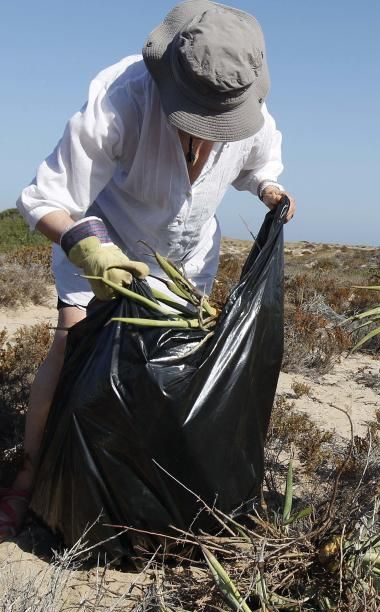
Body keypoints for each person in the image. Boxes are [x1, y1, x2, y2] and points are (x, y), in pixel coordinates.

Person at [1, 0, 296, 539]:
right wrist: (89, 249)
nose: (208, 134)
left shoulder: (250, 107)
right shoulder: (123, 98)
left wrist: (269, 190)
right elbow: (44, 199)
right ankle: (28, 478)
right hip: (104, 245)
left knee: (170, 370)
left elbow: (259, 168)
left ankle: (139, 487)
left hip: (187, 259)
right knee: (73, 347)